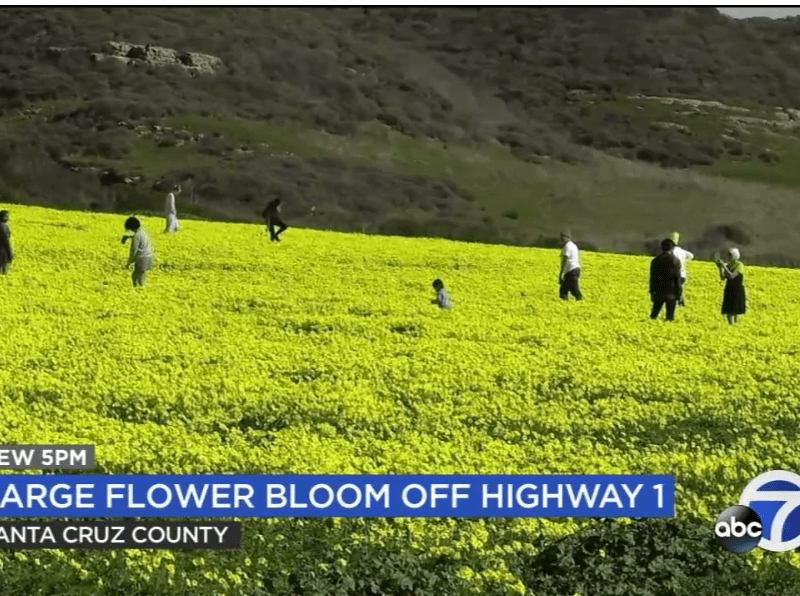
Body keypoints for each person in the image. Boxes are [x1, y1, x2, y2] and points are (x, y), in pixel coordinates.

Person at [649, 238, 682, 321]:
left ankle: (650, 326)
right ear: (672, 248)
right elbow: (677, 279)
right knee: (670, 317)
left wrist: (652, 292)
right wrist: (679, 294)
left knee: (654, 316)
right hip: (671, 293)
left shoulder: (655, 261)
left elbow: (652, 278)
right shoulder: (675, 261)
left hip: (658, 292)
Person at [716, 248, 746, 325]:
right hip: (729, 289)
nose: (729, 257)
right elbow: (723, 277)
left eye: (730, 255)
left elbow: (732, 276)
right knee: (729, 311)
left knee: (734, 311)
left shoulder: (739, 265)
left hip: (737, 289)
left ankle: (734, 326)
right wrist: (720, 268)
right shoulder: (729, 265)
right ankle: (732, 326)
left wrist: (724, 266)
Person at [123, 216, 154, 287]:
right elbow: (140, 239)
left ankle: (137, 289)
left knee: (135, 277)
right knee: (141, 276)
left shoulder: (136, 236)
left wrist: (129, 262)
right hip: (148, 257)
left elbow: (133, 250)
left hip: (141, 258)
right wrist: (129, 237)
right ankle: (140, 289)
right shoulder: (143, 232)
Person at [670, 232, 694, 307]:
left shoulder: (671, 251)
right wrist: (685, 262)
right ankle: (682, 303)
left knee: (674, 290)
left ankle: (678, 304)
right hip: (683, 274)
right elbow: (691, 255)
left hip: (675, 274)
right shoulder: (681, 251)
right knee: (679, 289)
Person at [559, 230, 583, 300]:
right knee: (566, 289)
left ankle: (581, 303)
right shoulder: (573, 245)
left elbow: (565, 259)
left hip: (571, 270)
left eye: (562, 236)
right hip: (575, 269)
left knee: (572, 291)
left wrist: (561, 273)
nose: (561, 238)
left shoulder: (567, 246)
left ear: (567, 237)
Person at [0, 210, 13, 275]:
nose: (7, 218)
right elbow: (5, 239)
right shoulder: (3, 226)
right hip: (2, 250)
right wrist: (10, 251)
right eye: (6, 217)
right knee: (3, 268)